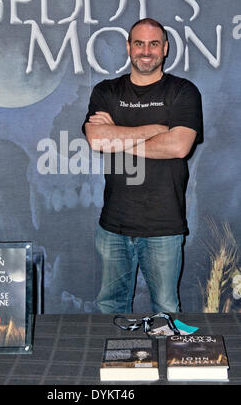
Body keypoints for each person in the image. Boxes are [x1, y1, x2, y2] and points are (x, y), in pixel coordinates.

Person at [82, 18, 203, 314]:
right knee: (110, 307)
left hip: (164, 226)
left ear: (164, 49)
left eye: (153, 44)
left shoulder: (183, 91)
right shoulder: (106, 91)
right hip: (113, 226)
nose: (145, 51)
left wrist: (118, 136)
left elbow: (179, 146)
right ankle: (115, 361)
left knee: (165, 309)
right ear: (128, 47)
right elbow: (97, 139)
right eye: (139, 43)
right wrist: (158, 129)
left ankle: (163, 362)